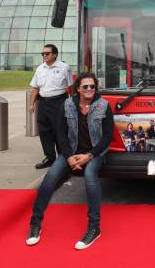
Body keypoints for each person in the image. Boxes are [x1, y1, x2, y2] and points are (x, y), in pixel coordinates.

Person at [27, 73, 113, 250]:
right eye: (86, 86)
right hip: (71, 152)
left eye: (92, 86)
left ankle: (94, 228)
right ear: (78, 89)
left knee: (90, 176)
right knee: (50, 177)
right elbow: (61, 134)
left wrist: (89, 155)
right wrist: (68, 157)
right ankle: (35, 223)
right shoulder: (67, 105)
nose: (90, 89)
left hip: (95, 153)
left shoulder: (103, 106)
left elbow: (107, 138)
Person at [29, 44, 73, 169]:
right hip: (43, 102)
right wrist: (31, 103)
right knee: (44, 130)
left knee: (59, 129)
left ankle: (63, 157)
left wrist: (74, 104)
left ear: (55, 54)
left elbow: (71, 87)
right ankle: (50, 157)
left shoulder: (64, 68)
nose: (44, 56)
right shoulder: (40, 68)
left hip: (59, 102)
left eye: (47, 53)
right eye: (42, 54)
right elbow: (35, 88)